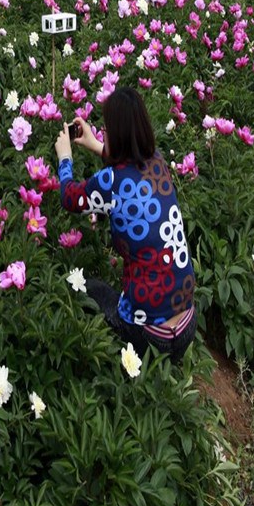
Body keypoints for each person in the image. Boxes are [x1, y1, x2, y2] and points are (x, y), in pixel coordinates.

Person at [55, 86, 196, 362]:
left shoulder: (110, 182)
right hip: (187, 324)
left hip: (149, 338)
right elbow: (125, 171)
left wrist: (65, 158)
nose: (103, 133)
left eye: (105, 130)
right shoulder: (158, 162)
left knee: (85, 288)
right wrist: (95, 144)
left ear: (115, 134)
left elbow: (69, 197)